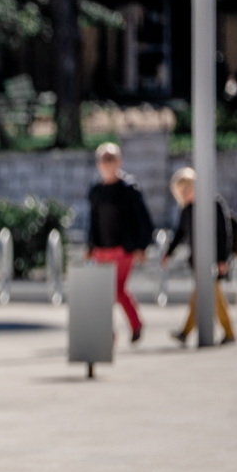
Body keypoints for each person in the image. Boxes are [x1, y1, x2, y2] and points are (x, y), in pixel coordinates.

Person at [87, 143, 155, 344]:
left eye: (111, 159)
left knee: (115, 290)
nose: (106, 164)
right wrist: (90, 247)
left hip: (123, 250)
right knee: (103, 293)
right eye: (103, 160)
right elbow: (93, 221)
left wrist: (142, 247)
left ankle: (133, 324)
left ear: (119, 161)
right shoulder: (96, 190)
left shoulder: (129, 189)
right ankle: (110, 331)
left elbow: (144, 220)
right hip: (101, 249)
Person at [164, 167, 237, 346]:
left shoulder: (214, 203)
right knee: (211, 297)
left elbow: (224, 233)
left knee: (206, 296)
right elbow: (180, 233)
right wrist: (168, 252)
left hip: (214, 260)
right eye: (181, 192)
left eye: (187, 189)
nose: (185, 194)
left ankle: (188, 332)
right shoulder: (187, 209)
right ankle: (226, 333)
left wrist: (222, 259)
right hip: (198, 261)